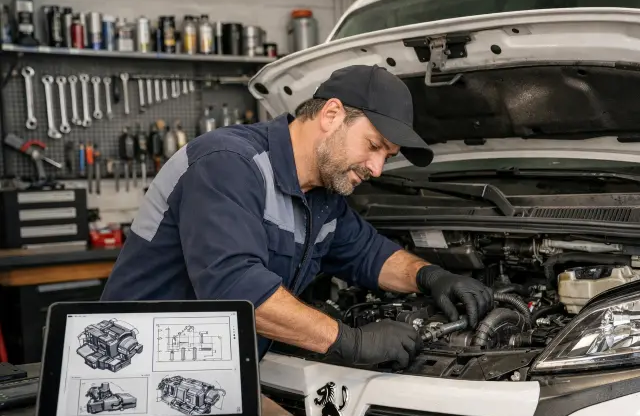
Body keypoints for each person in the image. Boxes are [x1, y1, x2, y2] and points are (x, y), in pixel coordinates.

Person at [101, 64, 493, 369]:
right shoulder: (230, 163)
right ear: (331, 114)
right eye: (374, 146)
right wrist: (351, 341)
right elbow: (235, 290)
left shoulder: (322, 194)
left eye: (386, 157)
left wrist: (432, 277)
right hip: (135, 365)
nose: (376, 168)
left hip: (218, 371)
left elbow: (368, 253)